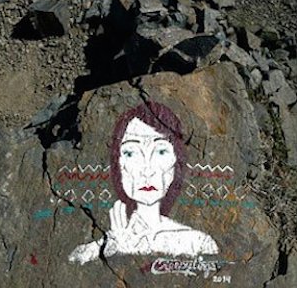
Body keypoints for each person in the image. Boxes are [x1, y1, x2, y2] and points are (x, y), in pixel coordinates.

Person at [69, 101, 218, 264]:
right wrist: (115, 246)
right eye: (131, 153)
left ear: (176, 162)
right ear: (118, 164)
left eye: (161, 151)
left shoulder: (197, 243)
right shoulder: (91, 250)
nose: (147, 170)